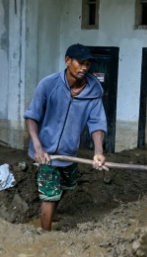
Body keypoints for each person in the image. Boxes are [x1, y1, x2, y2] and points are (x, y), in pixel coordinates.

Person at [24, 43, 108, 231]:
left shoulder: (93, 91)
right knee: (49, 194)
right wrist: (38, 147)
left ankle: (50, 212)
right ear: (67, 61)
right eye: (80, 63)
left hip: (69, 153)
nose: (84, 68)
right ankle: (45, 235)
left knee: (67, 186)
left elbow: (97, 123)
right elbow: (32, 116)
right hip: (46, 153)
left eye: (87, 64)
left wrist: (99, 152)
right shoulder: (48, 84)